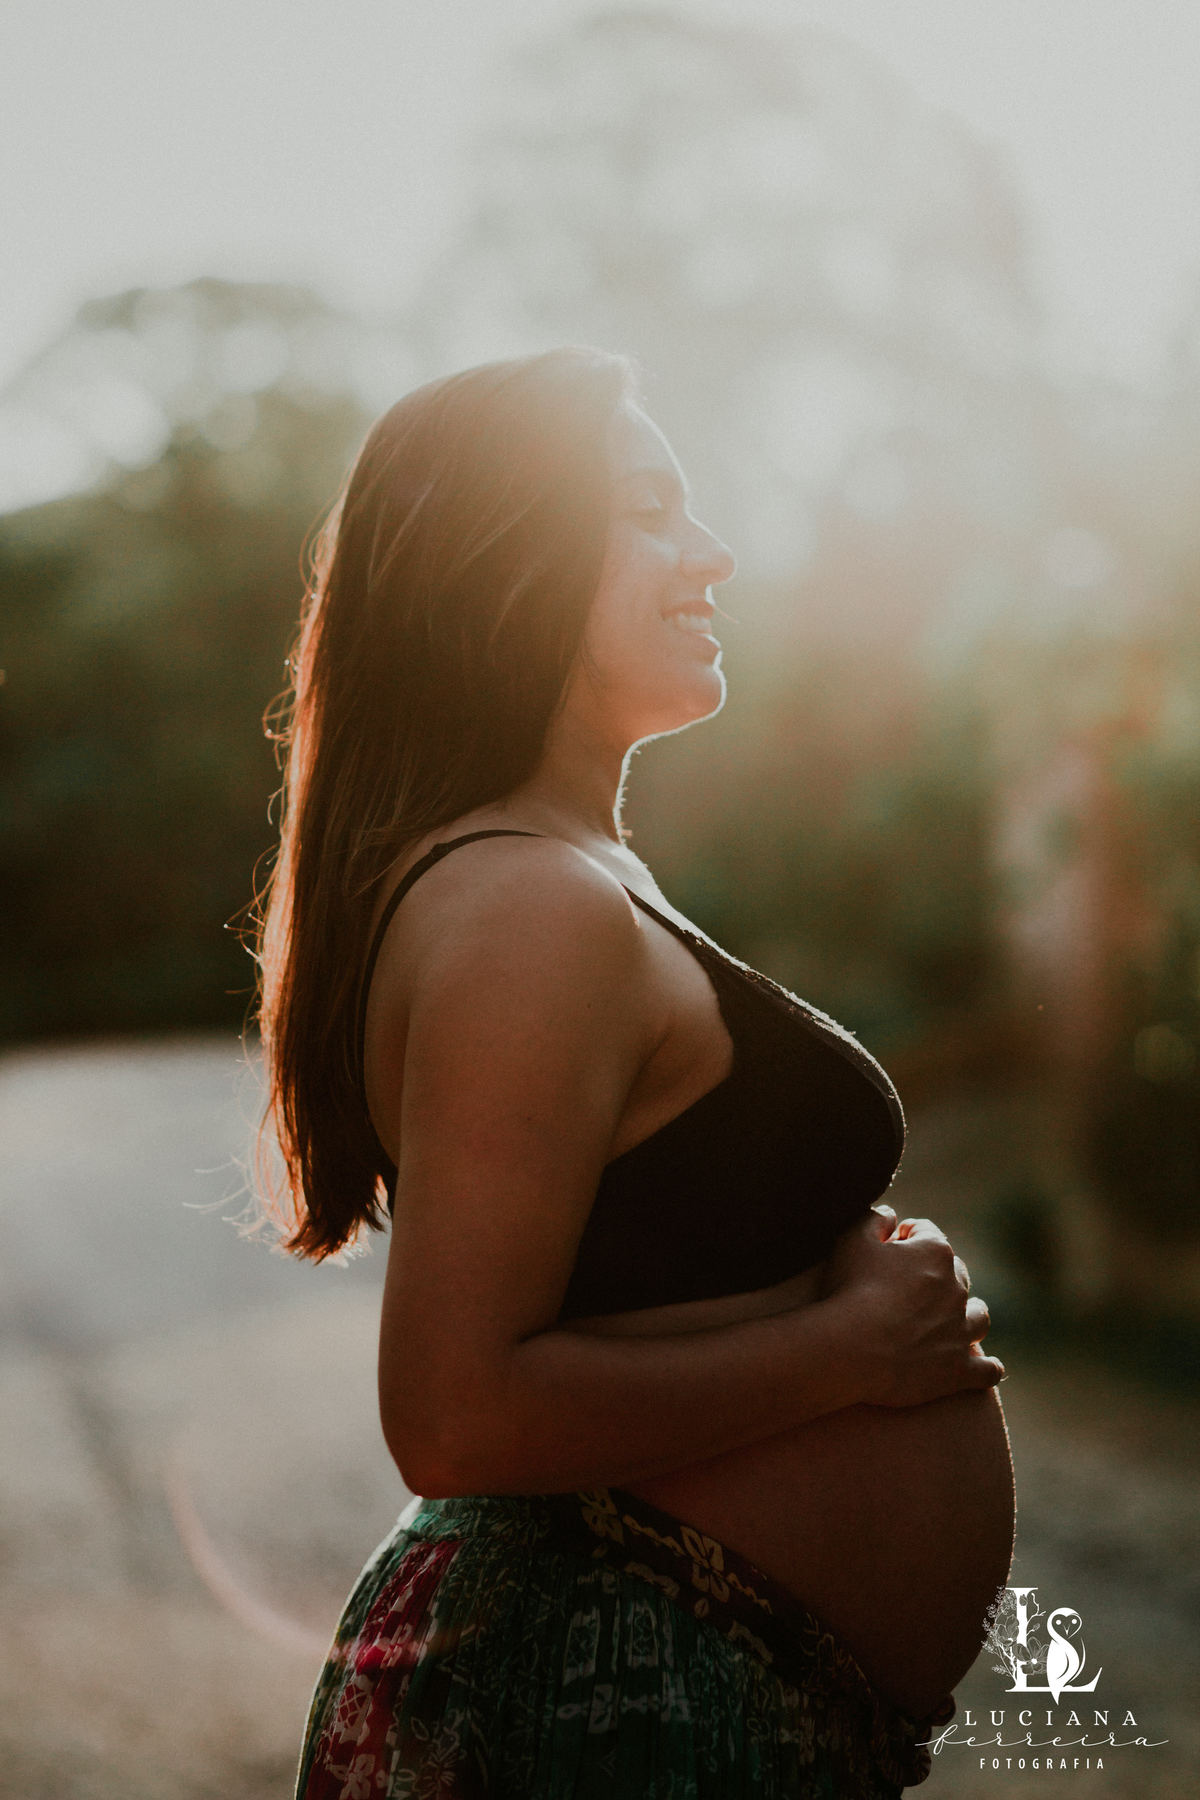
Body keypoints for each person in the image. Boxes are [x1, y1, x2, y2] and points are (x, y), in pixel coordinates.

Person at [254, 347, 1014, 1800]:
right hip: (610, 1691)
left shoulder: (566, 873)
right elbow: (455, 1413)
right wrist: (851, 1357)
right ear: (508, 565)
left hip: (676, 1680)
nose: (712, 553)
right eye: (653, 510)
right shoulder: (527, 909)